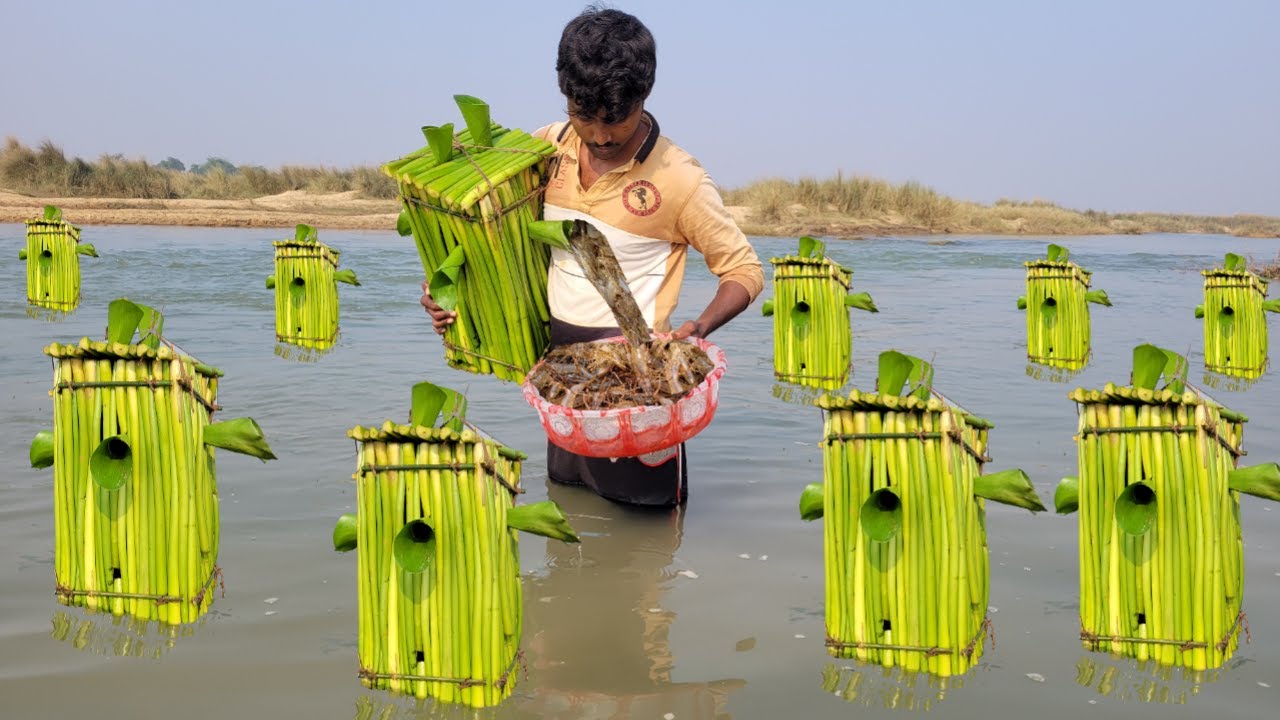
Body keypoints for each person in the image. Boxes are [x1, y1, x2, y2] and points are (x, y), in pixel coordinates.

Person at [421, 6, 764, 507]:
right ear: (565, 95)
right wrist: (446, 295)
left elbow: (745, 270)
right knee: (569, 521)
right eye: (584, 118)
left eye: (615, 122)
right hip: (560, 379)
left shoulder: (680, 180)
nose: (600, 136)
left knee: (643, 538)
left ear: (643, 97)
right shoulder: (542, 151)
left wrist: (699, 328)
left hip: (639, 386)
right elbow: (489, 238)